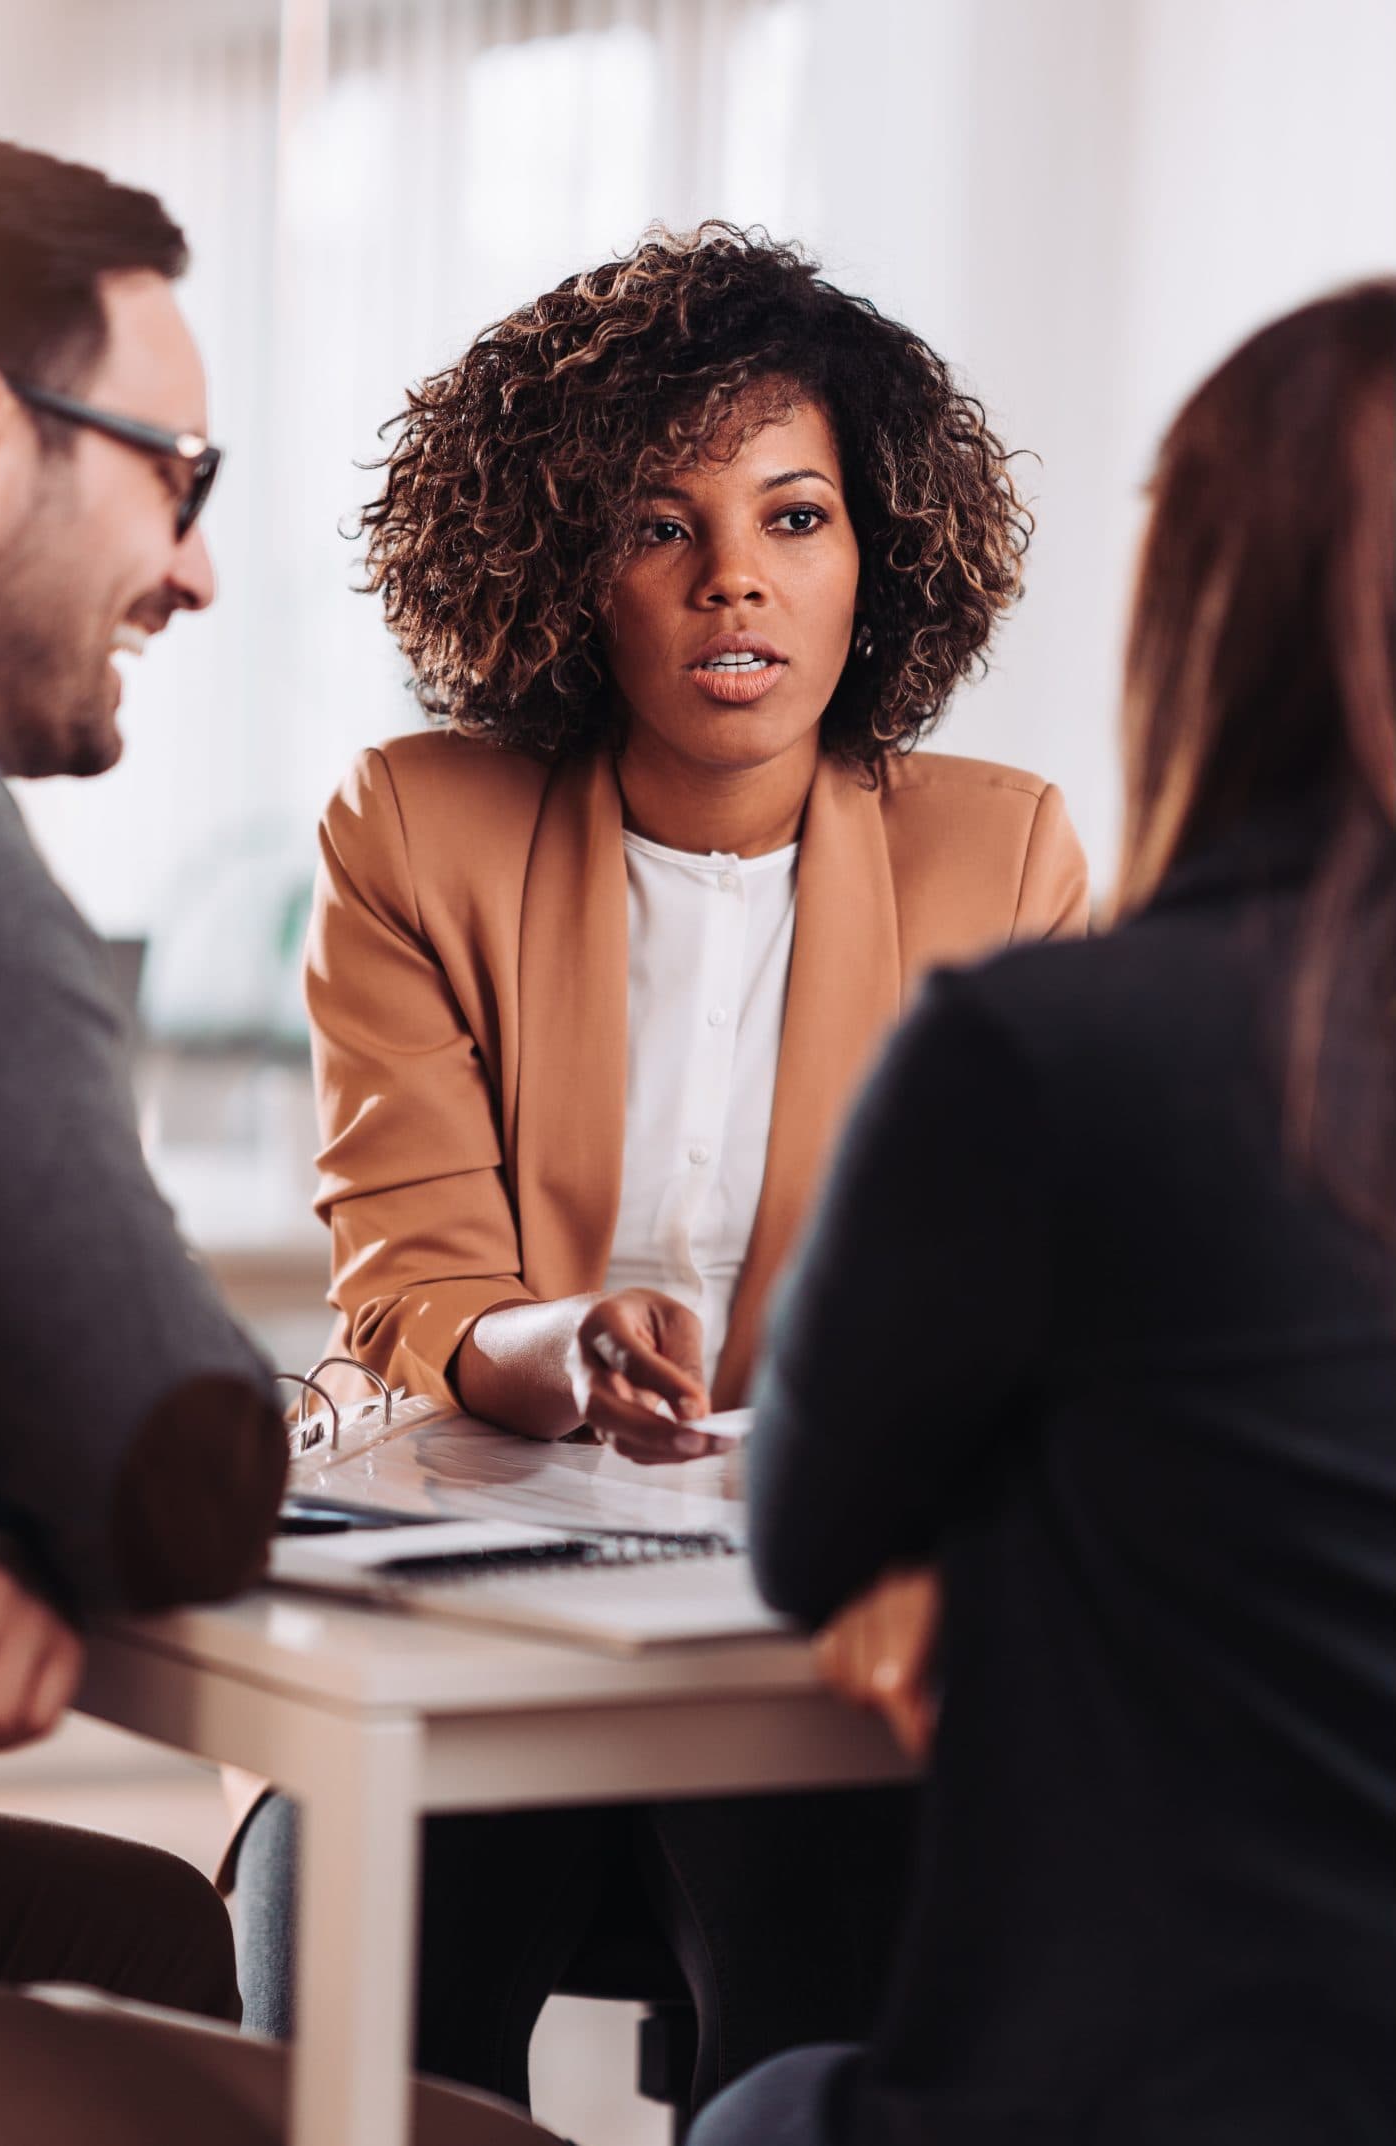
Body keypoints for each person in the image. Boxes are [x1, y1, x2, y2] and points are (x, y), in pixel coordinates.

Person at [0, 137, 552, 2146]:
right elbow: (171, 1467)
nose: (197, 568)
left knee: (154, 1925)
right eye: (180, 473)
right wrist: (41, 1478)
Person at [232, 225, 1091, 2114]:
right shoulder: (412, 825)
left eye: (796, 519)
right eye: (658, 523)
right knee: (327, 2052)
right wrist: (568, 1345)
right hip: (467, 1600)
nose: (735, 584)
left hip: (794, 1634)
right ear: (563, 564)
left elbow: (1029, 1319)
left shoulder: (1002, 854)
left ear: (879, 554)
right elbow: (414, 1281)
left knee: (845, 2051)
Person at [691, 281, 1396, 2146]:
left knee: (757, 2109)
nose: (732, 583)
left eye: (794, 516)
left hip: (1169, 2093)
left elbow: (805, 1527)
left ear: (1203, 624)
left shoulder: (1053, 1052)